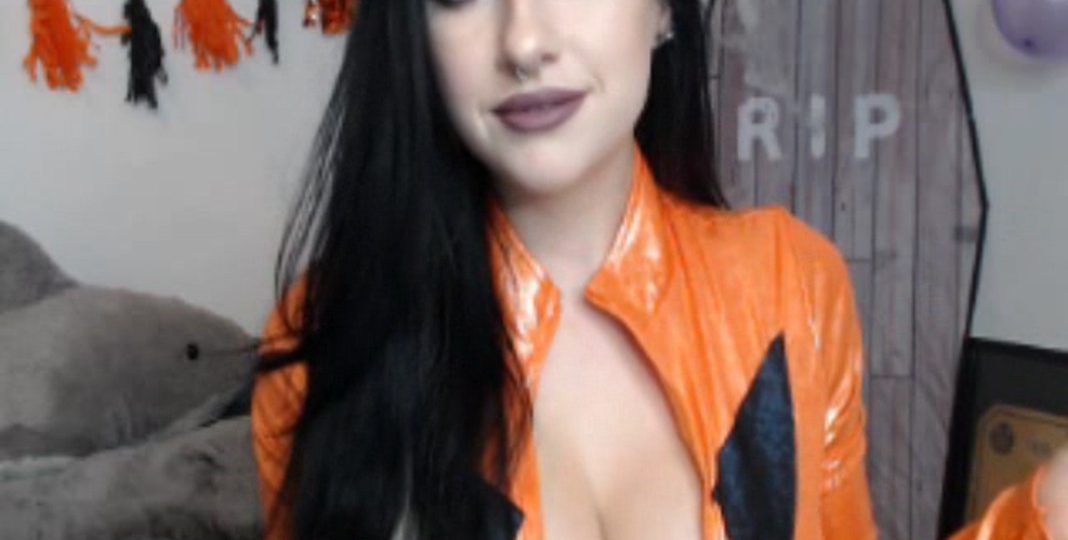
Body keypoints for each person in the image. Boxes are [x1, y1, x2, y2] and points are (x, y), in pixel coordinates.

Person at [248, 0, 1066, 538]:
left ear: (667, 9)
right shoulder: (328, 342)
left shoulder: (790, 283)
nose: (524, 42)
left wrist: (1045, 517)